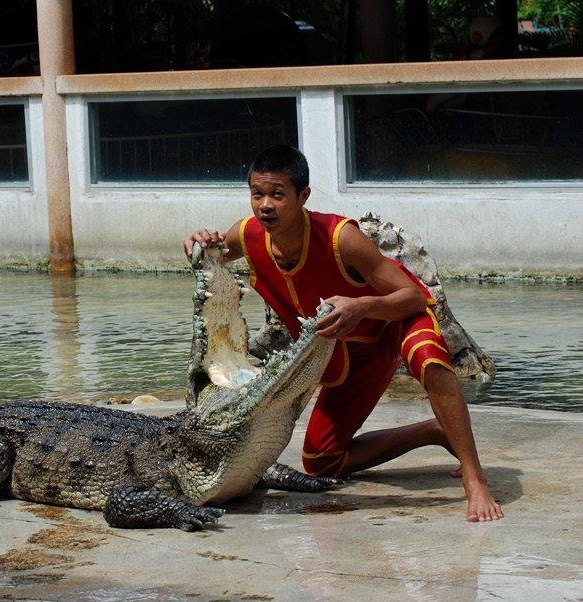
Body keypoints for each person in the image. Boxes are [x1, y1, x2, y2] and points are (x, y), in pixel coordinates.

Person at [183, 145, 503, 522]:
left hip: (392, 324)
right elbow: (209, 257)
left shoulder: (340, 238)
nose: (265, 205)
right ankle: (434, 431)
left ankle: (473, 476)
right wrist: (196, 244)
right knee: (321, 461)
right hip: (345, 356)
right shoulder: (248, 235)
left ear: (303, 197)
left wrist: (363, 305)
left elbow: (415, 297)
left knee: (426, 353)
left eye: (277, 195)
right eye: (257, 194)